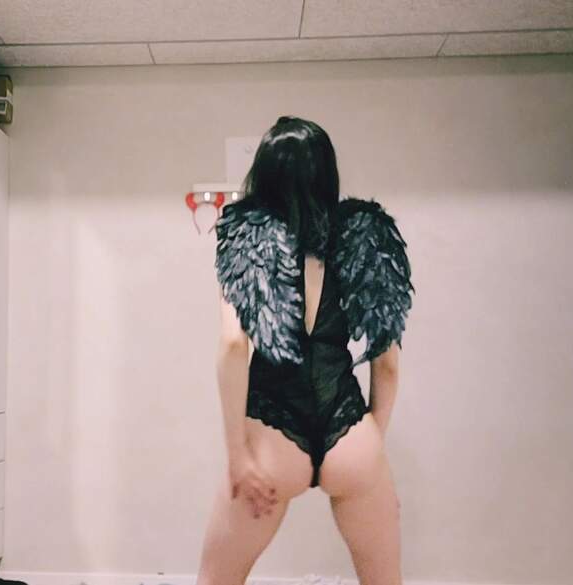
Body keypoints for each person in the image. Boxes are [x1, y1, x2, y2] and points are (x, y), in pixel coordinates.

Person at [196, 116, 415, 585]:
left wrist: (238, 455)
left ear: (265, 171)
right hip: (349, 428)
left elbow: (233, 344)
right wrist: (371, 446)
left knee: (217, 581)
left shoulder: (245, 235)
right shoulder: (366, 234)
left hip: (271, 438)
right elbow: (388, 364)